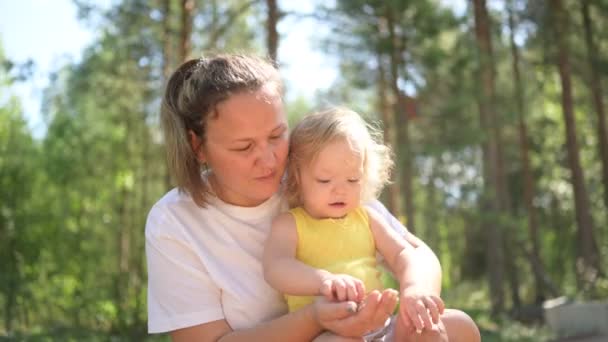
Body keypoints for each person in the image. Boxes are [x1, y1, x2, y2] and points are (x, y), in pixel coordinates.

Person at [145, 53, 481, 341]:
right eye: (244, 147)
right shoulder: (174, 222)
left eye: (277, 135)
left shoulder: (317, 179)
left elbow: (415, 254)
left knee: (458, 328)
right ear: (197, 146)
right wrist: (316, 319)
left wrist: (416, 295)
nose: (270, 159)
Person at [263, 107, 446, 341]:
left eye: (352, 179)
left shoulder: (366, 218)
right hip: (326, 332)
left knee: (450, 326)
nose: (340, 189)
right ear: (297, 177)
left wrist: (413, 288)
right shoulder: (290, 224)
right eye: (324, 180)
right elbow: (276, 267)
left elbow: (403, 253)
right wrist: (324, 281)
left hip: (382, 328)